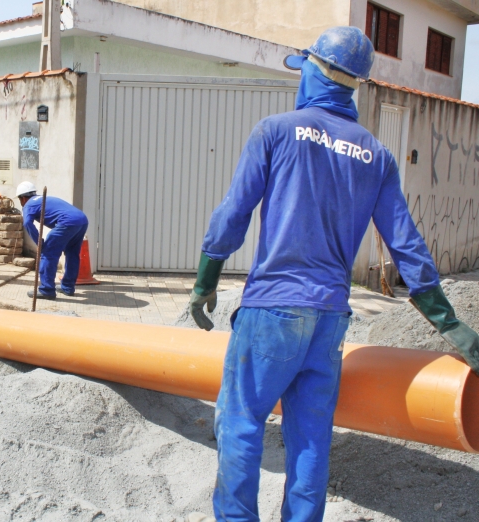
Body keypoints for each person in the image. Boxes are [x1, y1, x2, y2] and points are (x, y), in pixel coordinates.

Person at [184, 27, 479, 522]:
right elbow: (407, 246)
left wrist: (204, 281)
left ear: (315, 73)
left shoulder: (275, 131)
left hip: (272, 309)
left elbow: (231, 216)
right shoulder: (377, 156)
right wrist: (452, 327)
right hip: (329, 320)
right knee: (311, 436)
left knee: (240, 423)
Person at [17, 181, 89, 299]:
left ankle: (46, 290)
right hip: (82, 220)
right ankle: (68, 287)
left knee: (48, 253)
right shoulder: (43, 199)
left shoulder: (28, 204)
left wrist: (39, 242)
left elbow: (27, 223)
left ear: (23, 198)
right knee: (72, 254)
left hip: (67, 222)